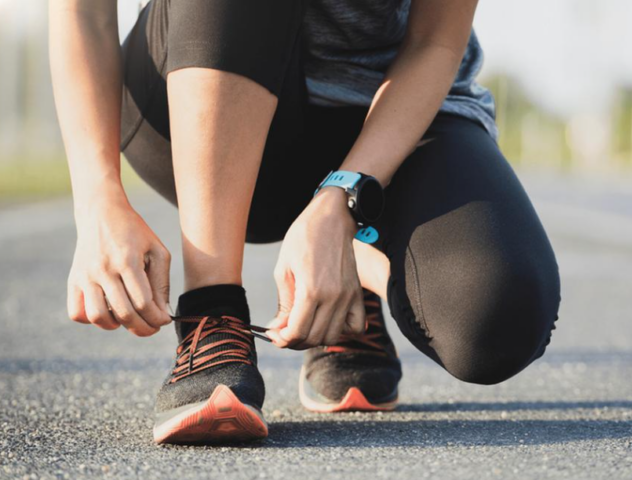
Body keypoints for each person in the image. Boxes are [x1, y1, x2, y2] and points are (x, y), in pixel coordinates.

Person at [49, 0, 561, 445]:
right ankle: (213, 316)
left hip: (387, 115)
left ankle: (348, 269)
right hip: (200, 85)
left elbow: (435, 42)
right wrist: (97, 199)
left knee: (497, 318)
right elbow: (82, 11)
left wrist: (344, 199)